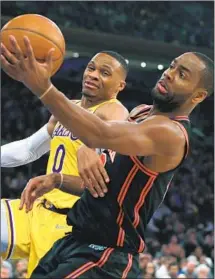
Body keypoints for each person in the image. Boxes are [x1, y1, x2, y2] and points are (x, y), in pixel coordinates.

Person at [1, 36, 213, 278]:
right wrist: (57, 180)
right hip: (74, 240)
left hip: (106, 255)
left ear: (198, 97)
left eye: (182, 75)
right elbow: (101, 184)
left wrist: (42, 86)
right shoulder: (140, 113)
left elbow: (100, 133)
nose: (169, 74)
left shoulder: (171, 133)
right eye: (172, 66)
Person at [1, 44, 129, 277]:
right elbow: (29, 149)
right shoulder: (70, 108)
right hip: (34, 210)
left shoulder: (114, 112)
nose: (93, 75)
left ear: (120, 86)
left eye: (105, 72)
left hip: (65, 226)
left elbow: (106, 183)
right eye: (91, 68)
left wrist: (59, 178)